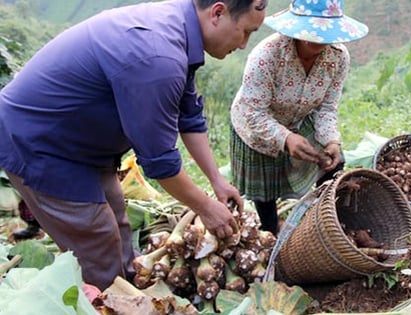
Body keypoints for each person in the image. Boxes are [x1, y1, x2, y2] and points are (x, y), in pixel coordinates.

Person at [0, 0, 267, 291]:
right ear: (217, 13)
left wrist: (217, 180)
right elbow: (160, 163)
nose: (244, 44)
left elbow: (188, 116)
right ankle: (109, 299)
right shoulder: (158, 55)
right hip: (43, 145)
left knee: (118, 225)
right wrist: (205, 208)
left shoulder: (178, 31)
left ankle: (130, 288)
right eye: (245, 32)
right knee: (98, 246)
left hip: (84, 146)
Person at [230, 0, 368, 234]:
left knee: (333, 164)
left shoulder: (338, 57)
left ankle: (328, 221)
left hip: (300, 118)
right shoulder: (267, 56)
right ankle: (270, 233)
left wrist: (331, 141)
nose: (315, 38)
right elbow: (253, 112)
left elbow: (326, 107)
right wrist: (285, 138)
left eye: (323, 32)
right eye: (309, 30)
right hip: (256, 124)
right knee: (266, 195)